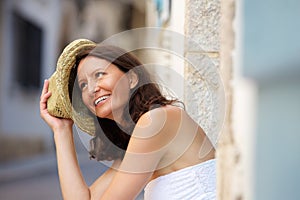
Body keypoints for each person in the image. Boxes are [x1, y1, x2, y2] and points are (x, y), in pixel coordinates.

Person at [40, 39, 216, 200]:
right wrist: (61, 130)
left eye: (100, 74)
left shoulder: (156, 120)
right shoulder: (134, 143)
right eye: (83, 85)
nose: (92, 88)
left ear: (132, 79)